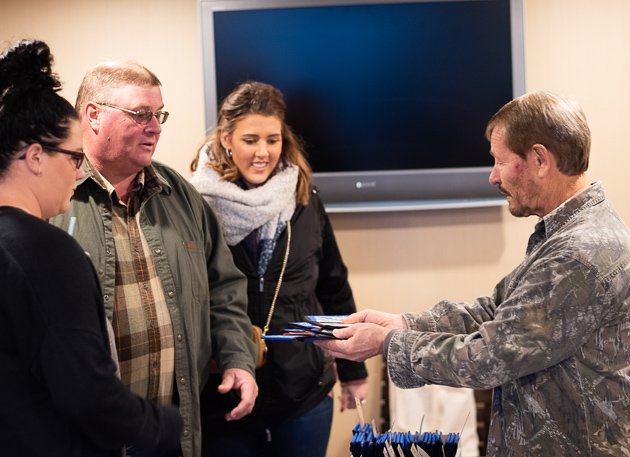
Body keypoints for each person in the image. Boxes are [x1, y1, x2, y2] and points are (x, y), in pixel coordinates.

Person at [315, 91, 630, 456]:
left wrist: (386, 343)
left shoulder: (579, 253)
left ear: (539, 159)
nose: (492, 176)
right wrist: (403, 324)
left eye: (500, 161)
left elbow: (492, 356)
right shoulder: (571, 233)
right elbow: (497, 310)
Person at [48, 60, 259, 457]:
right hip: (87, 438)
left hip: (172, 432)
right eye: (140, 114)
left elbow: (224, 289)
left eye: (158, 114)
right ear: (93, 115)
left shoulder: (179, 194)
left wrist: (237, 359)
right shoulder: (53, 195)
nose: (155, 127)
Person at [0, 39, 183, 456]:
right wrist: (166, 425)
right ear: (35, 157)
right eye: (73, 157)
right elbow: (86, 392)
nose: (78, 170)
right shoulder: (45, 251)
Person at [190, 81, 368, 457]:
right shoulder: (195, 205)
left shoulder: (304, 198)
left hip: (304, 392)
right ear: (226, 139)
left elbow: (333, 285)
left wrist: (352, 370)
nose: (263, 152)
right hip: (224, 393)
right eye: (250, 140)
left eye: (273, 140)